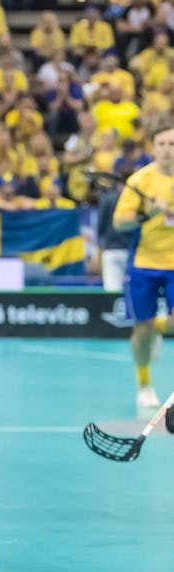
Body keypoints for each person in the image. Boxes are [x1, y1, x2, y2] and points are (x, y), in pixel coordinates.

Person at [111, 123, 174, 414]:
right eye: (162, 143)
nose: (167, 149)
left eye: (172, 144)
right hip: (144, 264)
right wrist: (148, 212)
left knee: (157, 326)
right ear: (153, 147)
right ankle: (144, 384)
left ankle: (159, 328)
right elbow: (119, 223)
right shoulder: (140, 181)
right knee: (141, 327)